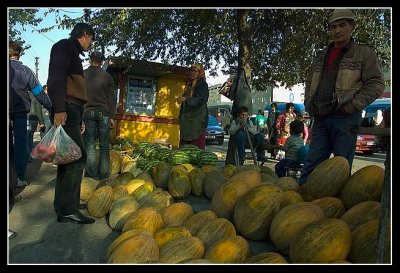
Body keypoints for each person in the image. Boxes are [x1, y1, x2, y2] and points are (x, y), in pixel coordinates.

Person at [299, 9, 384, 185]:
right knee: (311, 165)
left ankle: (337, 209)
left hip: (345, 118)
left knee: (341, 168)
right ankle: (302, 202)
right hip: (321, 117)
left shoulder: (364, 53)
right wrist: (309, 104)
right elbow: (309, 83)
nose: (337, 30)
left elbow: (376, 84)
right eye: (333, 27)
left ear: (352, 26)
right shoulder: (321, 55)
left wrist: (353, 105)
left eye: (342, 25)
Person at [47, 22, 96, 224]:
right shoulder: (64, 46)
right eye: (91, 38)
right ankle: (68, 209)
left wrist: (80, 116)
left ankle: (65, 205)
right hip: (66, 108)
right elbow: (56, 77)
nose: (91, 43)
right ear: (83, 35)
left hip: (72, 110)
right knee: (78, 158)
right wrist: (59, 109)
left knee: (67, 158)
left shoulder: (72, 52)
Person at [9, 40, 52, 189]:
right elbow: (39, 93)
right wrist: (51, 107)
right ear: (19, 54)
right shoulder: (26, 71)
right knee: (21, 145)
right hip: (21, 114)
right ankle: (19, 178)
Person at [83, 51, 116, 180]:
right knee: (104, 144)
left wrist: (80, 116)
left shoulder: (83, 74)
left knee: (90, 144)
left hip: (88, 112)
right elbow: (111, 98)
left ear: (90, 60)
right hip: (104, 113)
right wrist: (112, 117)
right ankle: (103, 174)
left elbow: (79, 96)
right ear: (102, 62)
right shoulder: (107, 77)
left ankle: (91, 174)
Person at [177, 63, 209, 150]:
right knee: (184, 150)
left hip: (197, 122)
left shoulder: (203, 85)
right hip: (186, 121)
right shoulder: (188, 85)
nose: (192, 73)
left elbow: (202, 100)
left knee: (196, 150)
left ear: (200, 73)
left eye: (195, 71)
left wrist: (186, 99)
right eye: (191, 70)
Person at [27, 92, 45, 161]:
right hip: (33, 118)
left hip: (23, 117)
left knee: (26, 137)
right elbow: (38, 111)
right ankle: (30, 156)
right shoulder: (36, 97)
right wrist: (41, 122)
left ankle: (27, 156)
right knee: (29, 137)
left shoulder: (22, 94)